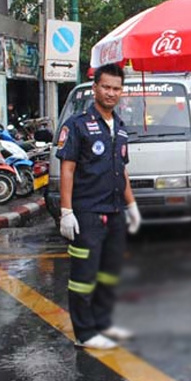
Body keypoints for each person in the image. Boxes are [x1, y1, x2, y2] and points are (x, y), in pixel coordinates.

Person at [57, 62, 141, 351]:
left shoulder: (120, 126)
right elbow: (67, 169)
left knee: (109, 272)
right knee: (84, 275)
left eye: (117, 88)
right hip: (88, 212)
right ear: (95, 88)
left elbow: (123, 171)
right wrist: (66, 212)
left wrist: (132, 206)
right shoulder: (77, 125)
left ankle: (103, 324)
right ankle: (85, 333)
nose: (111, 93)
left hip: (116, 210)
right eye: (106, 87)